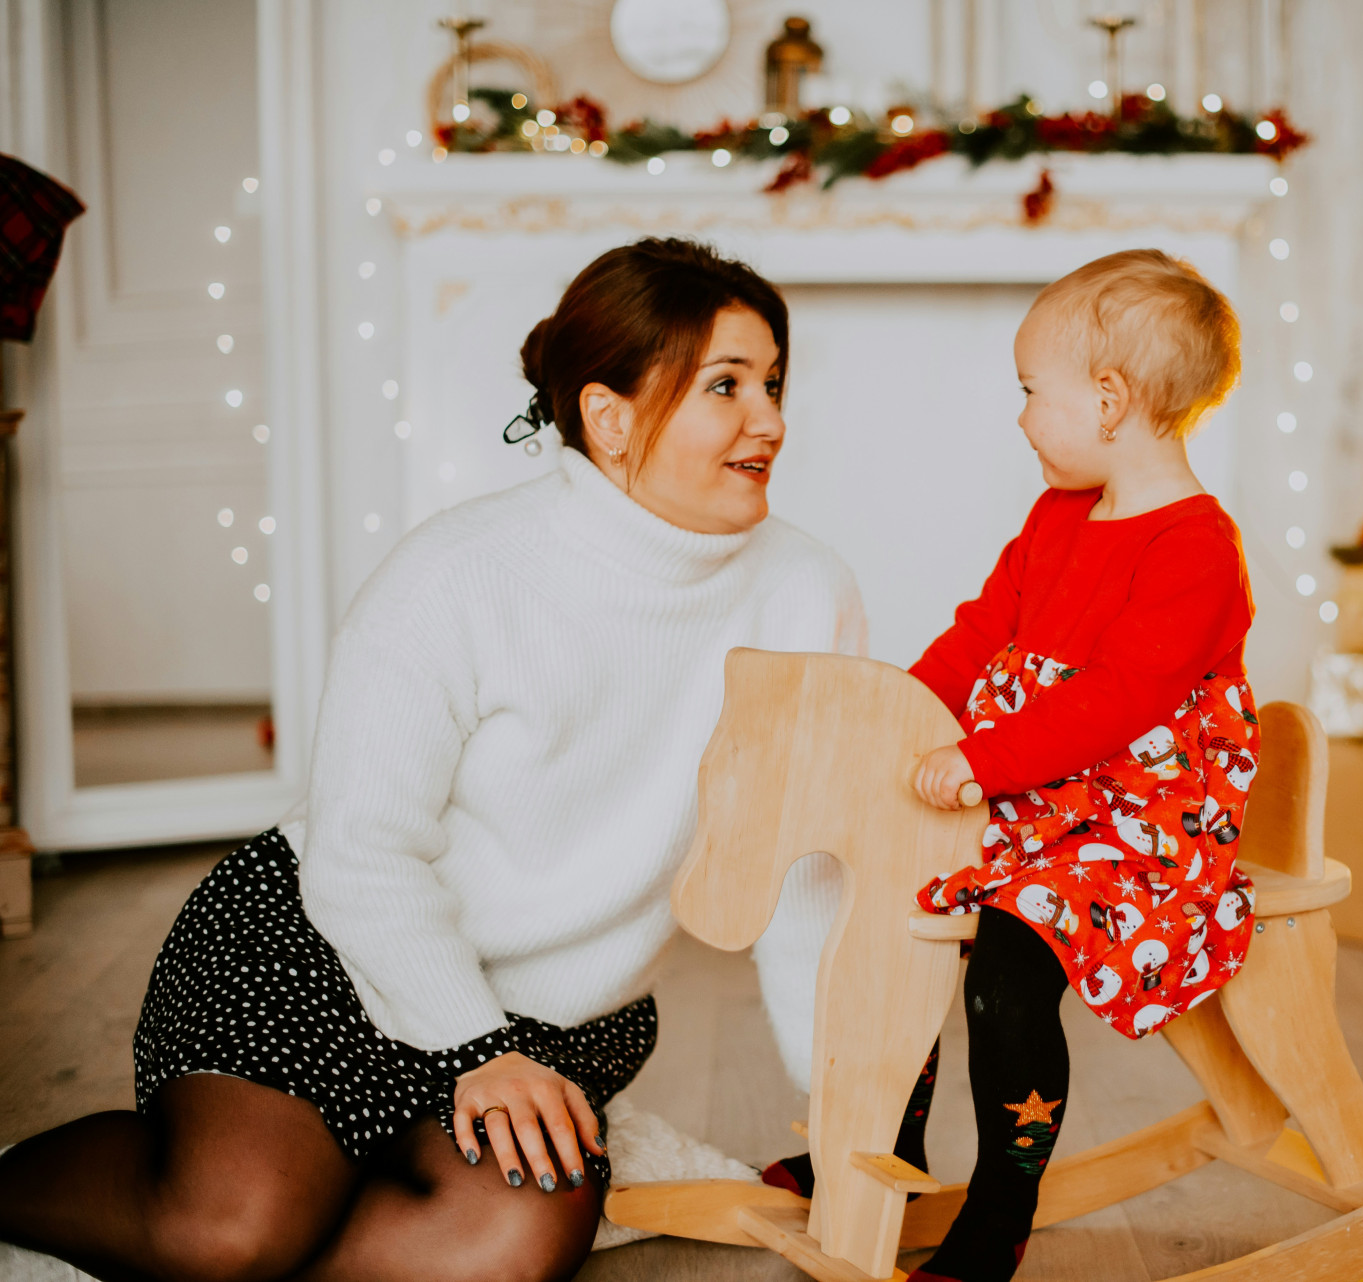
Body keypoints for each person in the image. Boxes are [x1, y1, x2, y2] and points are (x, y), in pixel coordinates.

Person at [0, 238, 861, 1282]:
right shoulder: (457, 574)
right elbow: (361, 854)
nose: (770, 420)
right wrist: (471, 1050)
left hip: (553, 1022)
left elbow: (806, 875)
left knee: (503, 1249)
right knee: (229, 1233)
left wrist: (849, 1115)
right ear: (609, 415)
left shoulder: (807, 593)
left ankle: (325, 1188)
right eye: (727, 385)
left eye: (773, 382)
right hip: (326, 956)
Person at [909, 248, 1262, 1282]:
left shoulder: (1196, 549)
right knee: (893, 906)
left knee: (1011, 965)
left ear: (1109, 401)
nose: (1021, 418)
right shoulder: (1058, 515)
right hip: (1036, 797)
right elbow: (981, 633)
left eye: (1031, 391)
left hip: (1138, 826)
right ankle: (884, 1144)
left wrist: (979, 760)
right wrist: (899, 717)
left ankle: (999, 1211)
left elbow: (1112, 707)